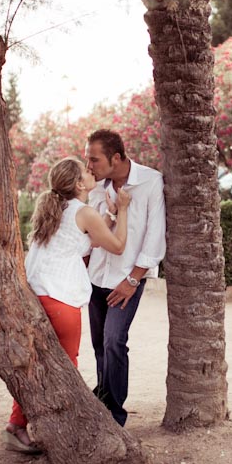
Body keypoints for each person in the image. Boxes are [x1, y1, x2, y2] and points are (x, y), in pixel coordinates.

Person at [2, 156, 131, 453]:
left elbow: (84, 240)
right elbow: (117, 245)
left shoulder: (55, 208)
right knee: (66, 366)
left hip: (37, 294)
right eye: (86, 170)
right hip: (59, 298)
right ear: (78, 184)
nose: (90, 171)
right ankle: (68, 429)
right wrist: (122, 211)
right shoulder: (84, 211)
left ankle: (15, 424)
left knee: (39, 364)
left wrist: (108, 216)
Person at [85, 129, 166, 427]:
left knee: (114, 340)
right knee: (98, 344)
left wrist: (133, 280)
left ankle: (115, 416)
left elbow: (154, 238)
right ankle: (103, 402)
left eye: (94, 159)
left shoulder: (150, 182)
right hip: (95, 277)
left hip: (126, 279)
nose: (89, 166)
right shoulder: (95, 187)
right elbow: (89, 233)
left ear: (116, 158)